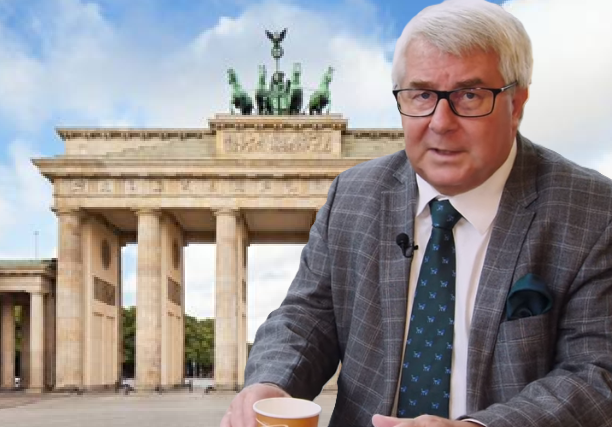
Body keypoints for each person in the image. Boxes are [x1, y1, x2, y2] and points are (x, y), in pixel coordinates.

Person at [220, 0, 612, 426]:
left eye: (469, 95)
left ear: (516, 104)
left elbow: (595, 372)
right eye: (422, 94)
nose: (441, 122)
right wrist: (271, 383)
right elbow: (307, 316)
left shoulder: (592, 212)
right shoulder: (352, 196)